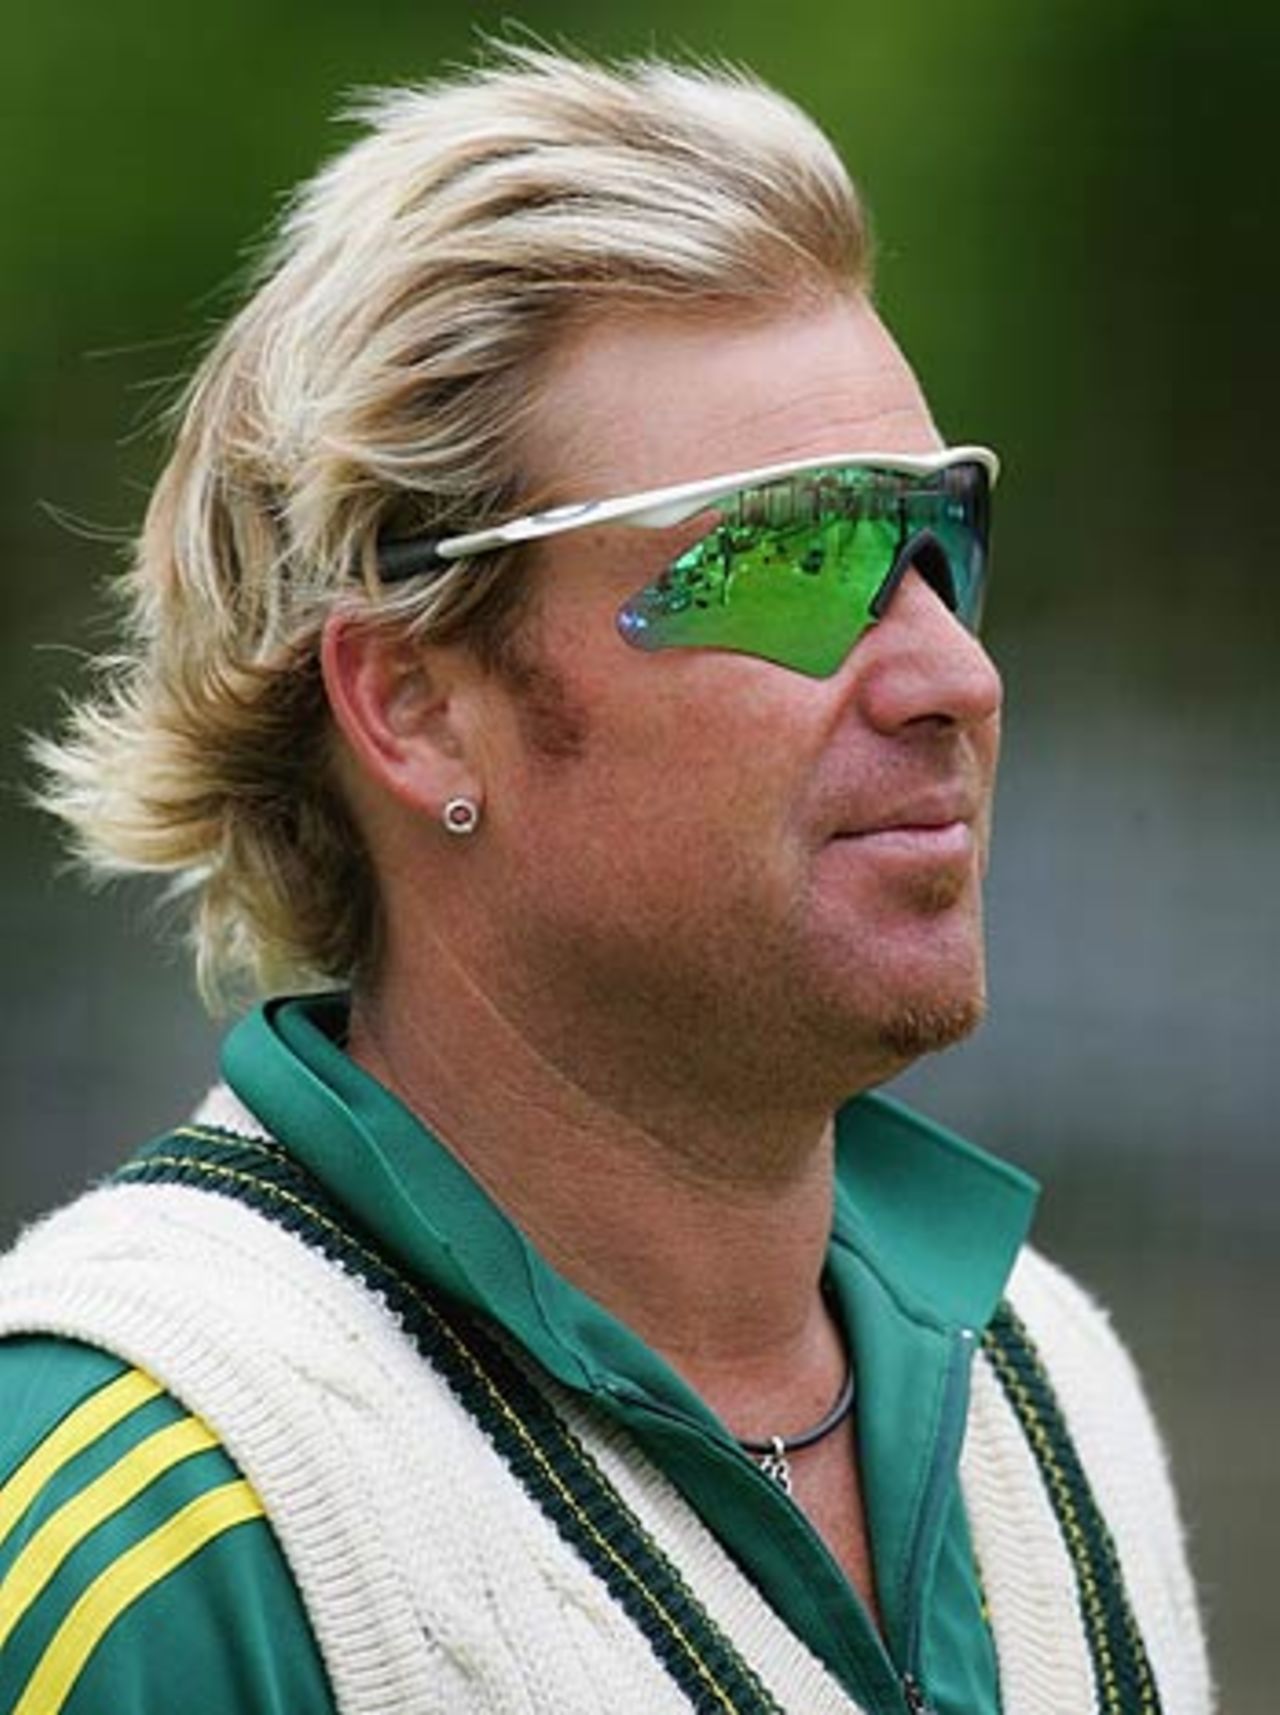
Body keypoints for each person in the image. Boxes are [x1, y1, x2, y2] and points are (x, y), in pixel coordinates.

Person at [0, 44, 1211, 1715]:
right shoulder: (169, 1521)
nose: (952, 675)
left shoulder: (1055, 1395)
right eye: (795, 559)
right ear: (418, 706)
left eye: (938, 544)